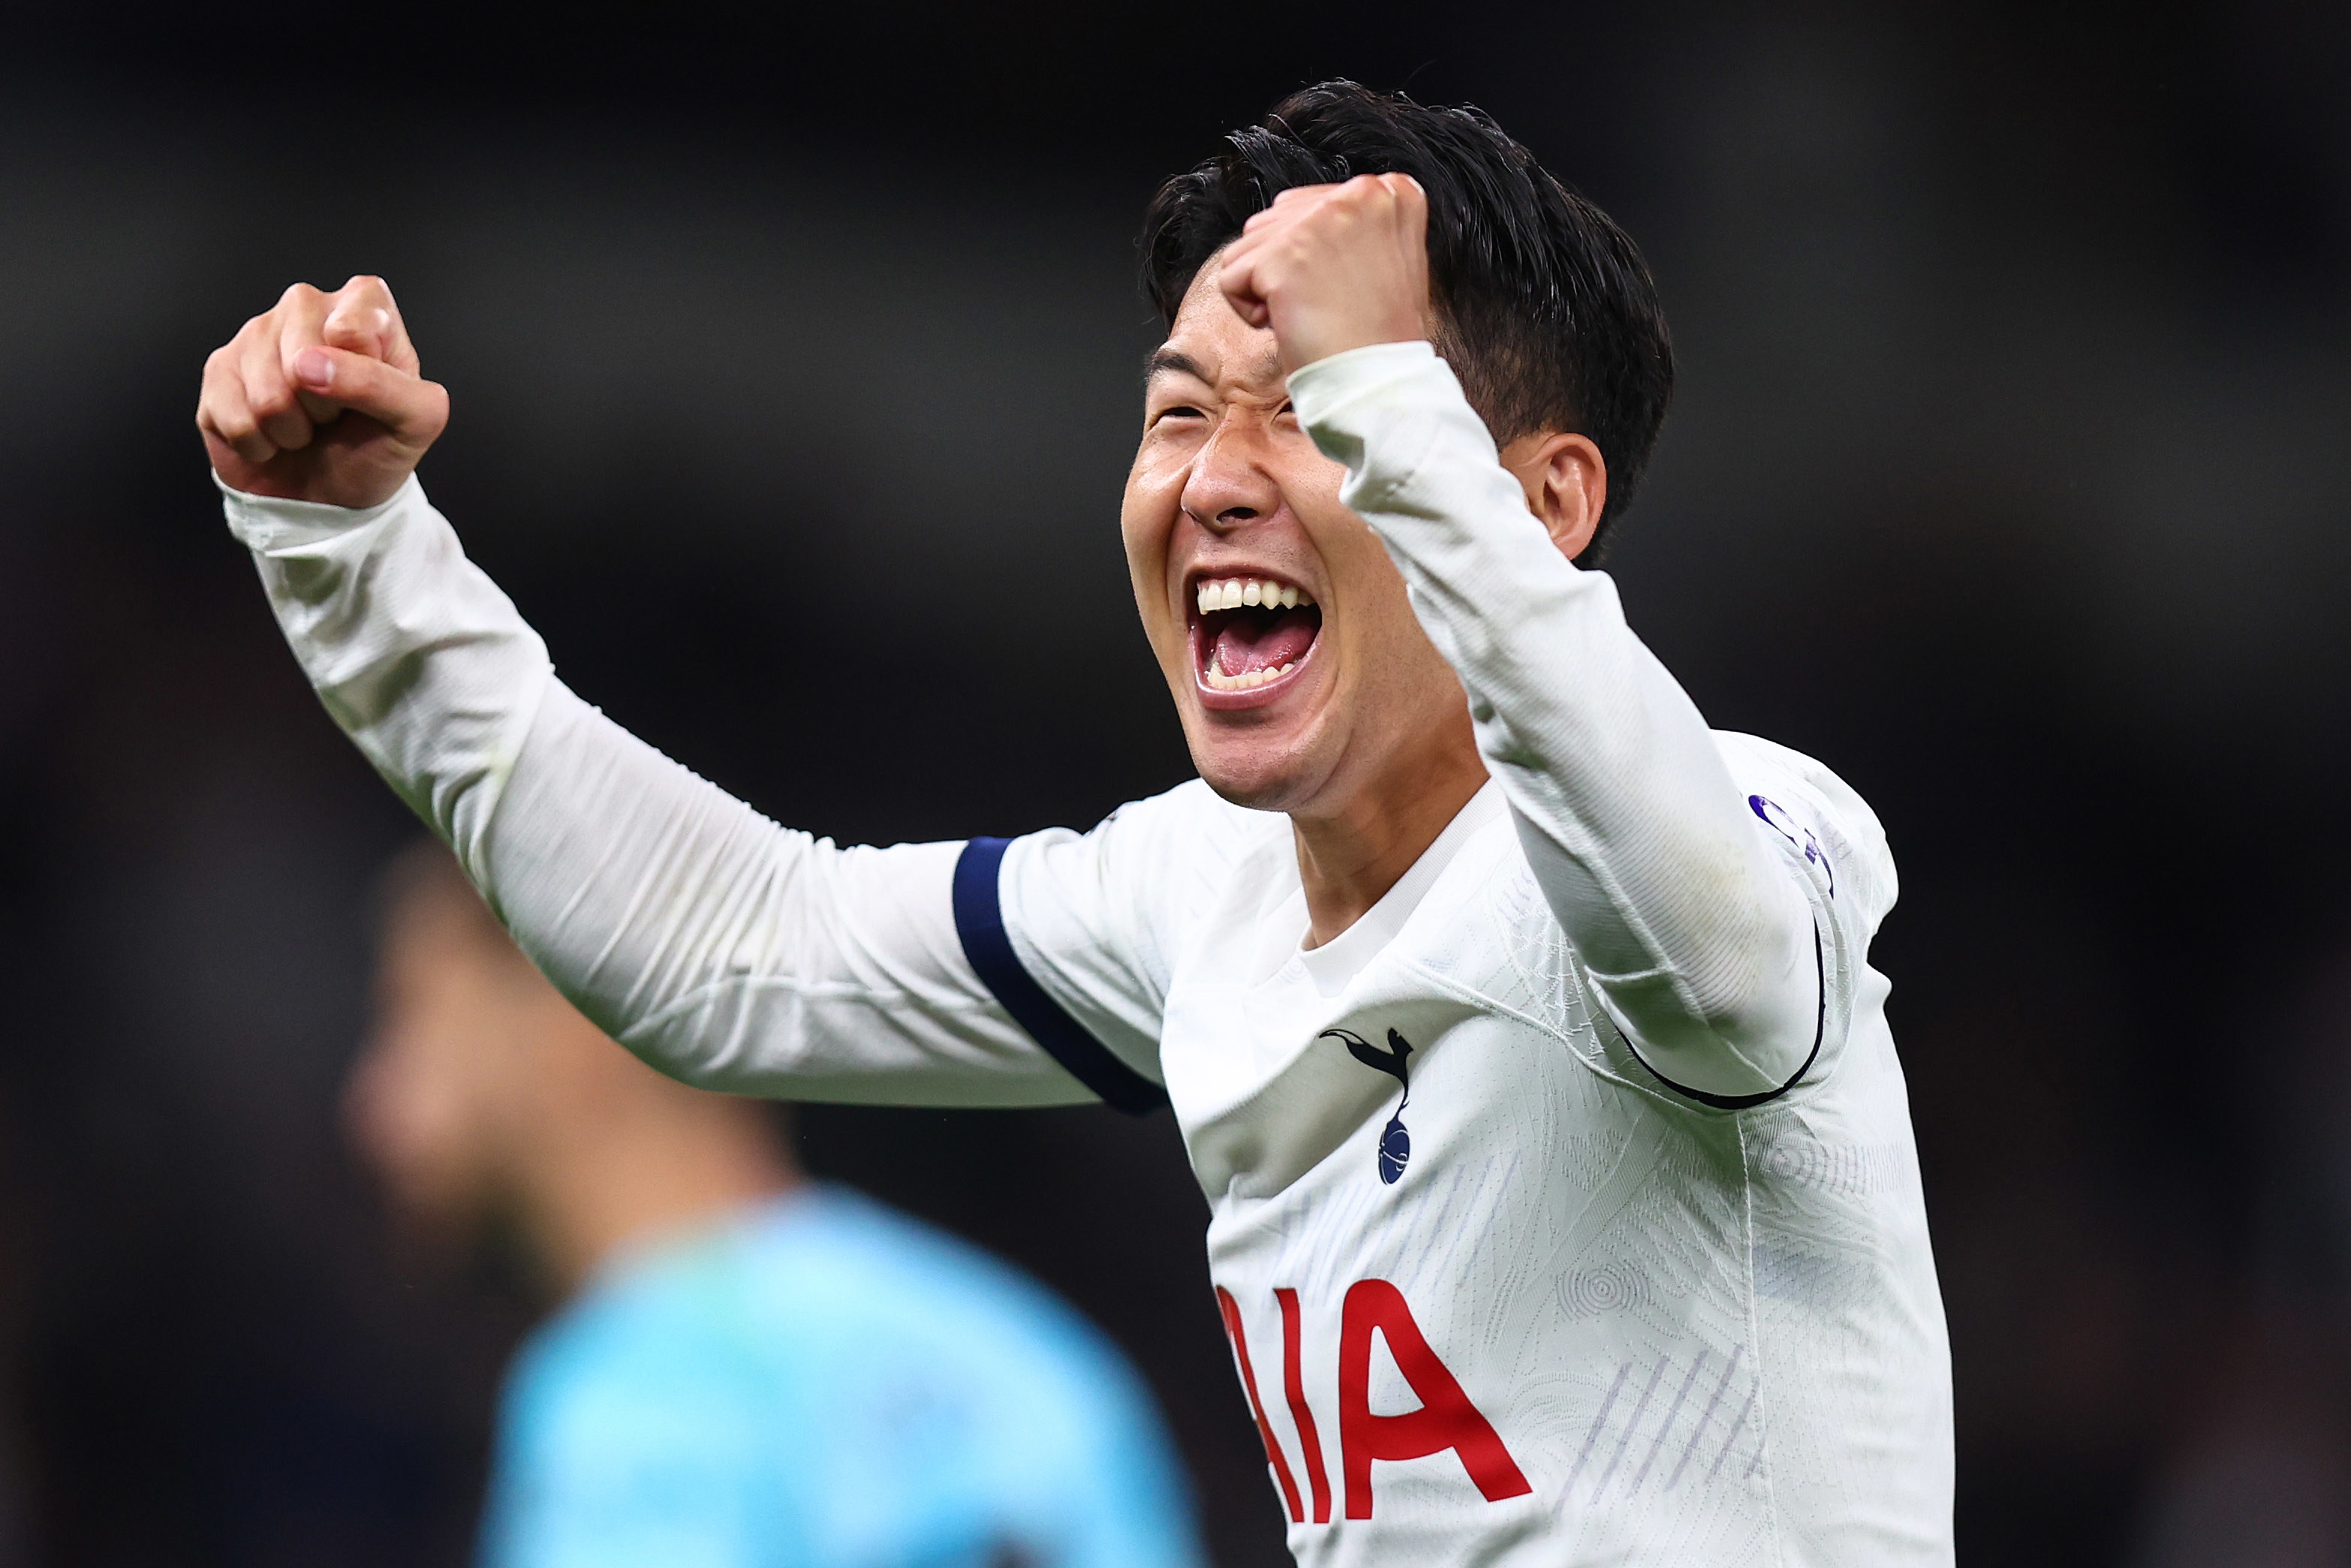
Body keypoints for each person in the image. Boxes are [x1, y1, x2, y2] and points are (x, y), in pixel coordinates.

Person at [200, 81, 1952, 1564]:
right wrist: (356, 559)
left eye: (1313, 409)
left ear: (1537, 500)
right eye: (1180, 411)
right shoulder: (1198, 894)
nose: (1213, 477)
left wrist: (1397, 405)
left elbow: (1698, 923)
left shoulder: (1740, 829)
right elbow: (734, 949)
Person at [349, 841, 1205, 1568]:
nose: (371, 1102)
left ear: (577, 1011)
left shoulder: (631, 1394)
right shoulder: (1034, 1361)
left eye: (412, 1013)